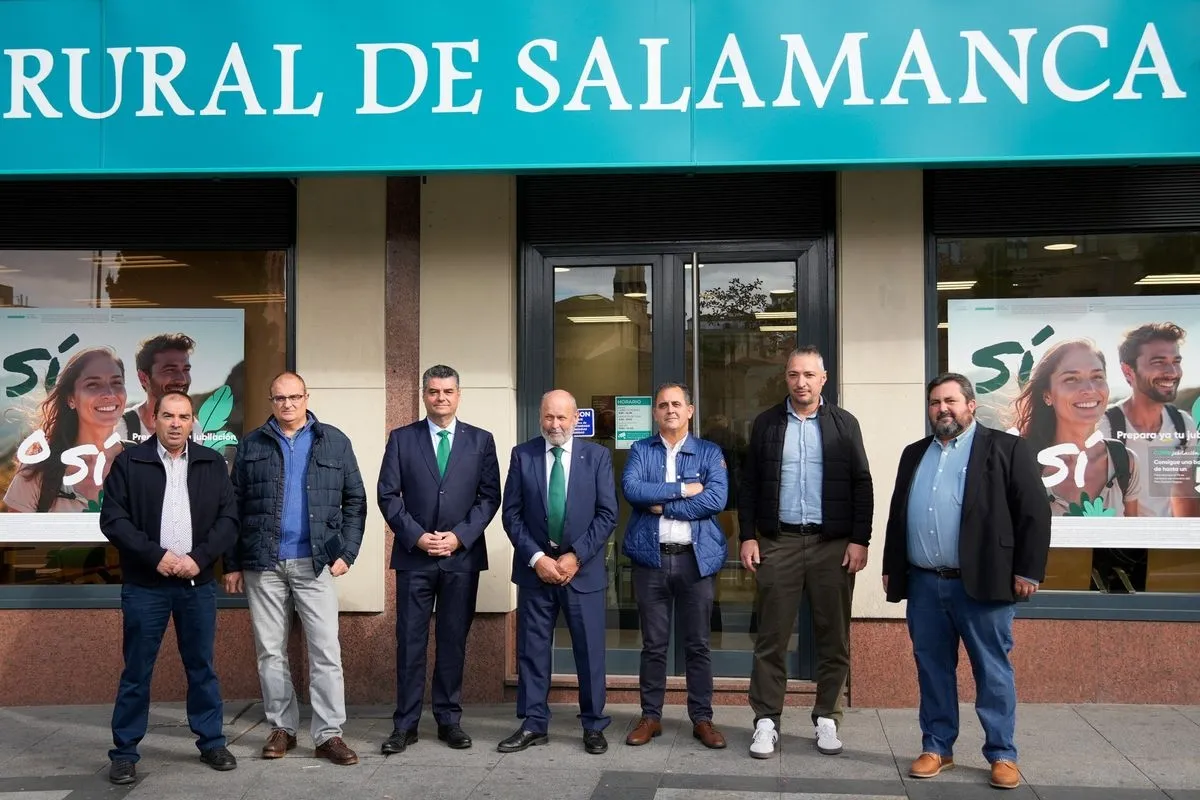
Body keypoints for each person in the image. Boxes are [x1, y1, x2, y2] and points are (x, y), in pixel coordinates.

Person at [882, 373, 1051, 791]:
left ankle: (1002, 754)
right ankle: (937, 747)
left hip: (984, 583)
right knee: (932, 669)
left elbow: (1034, 512)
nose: (942, 409)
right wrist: (892, 567)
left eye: (951, 401)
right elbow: (898, 513)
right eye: (935, 402)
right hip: (925, 584)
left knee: (992, 672)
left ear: (970, 405)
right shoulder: (913, 453)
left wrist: (1028, 570)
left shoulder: (1006, 448)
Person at [222, 372, 366, 766]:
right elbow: (234, 507)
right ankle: (281, 728)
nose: (288, 404)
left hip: (315, 562)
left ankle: (328, 734)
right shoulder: (252, 444)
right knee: (270, 651)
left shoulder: (334, 441)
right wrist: (232, 563)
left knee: (325, 651)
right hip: (263, 562)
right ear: (271, 401)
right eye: (280, 398)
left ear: (306, 397)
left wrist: (347, 552)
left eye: (295, 397)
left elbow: (355, 501)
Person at [738, 345, 873, 759]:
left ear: (823, 379)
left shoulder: (844, 424)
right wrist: (747, 536)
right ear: (786, 377)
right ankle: (766, 720)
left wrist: (860, 540)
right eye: (794, 374)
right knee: (771, 637)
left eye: (809, 375)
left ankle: (828, 716)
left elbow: (862, 483)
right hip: (778, 542)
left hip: (831, 545)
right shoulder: (766, 423)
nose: (801, 382)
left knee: (834, 637)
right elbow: (749, 484)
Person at [98, 391, 239, 786]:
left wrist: (200, 558)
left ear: (193, 422)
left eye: (183, 417)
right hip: (146, 586)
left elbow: (229, 519)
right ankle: (125, 753)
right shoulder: (130, 462)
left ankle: (212, 742)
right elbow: (113, 520)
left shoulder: (211, 463)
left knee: (202, 668)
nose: (176, 424)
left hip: (197, 585)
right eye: (168, 416)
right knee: (137, 671)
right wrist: (154, 556)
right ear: (154, 419)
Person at [377, 365, 501, 754]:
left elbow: (489, 497)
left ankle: (449, 720)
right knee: (410, 642)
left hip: (461, 559)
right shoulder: (402, 439)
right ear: (424, 395)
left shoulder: (481, 440)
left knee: (452, 641)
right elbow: (388, 495)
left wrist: (459, 537)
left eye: (448, 391)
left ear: (458, 395)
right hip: (415, 558)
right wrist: (417, 536)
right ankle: (405, 724)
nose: (441, 398)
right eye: (433, 391)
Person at [498, 389, 617, 755]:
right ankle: (534, 723)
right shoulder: (523, 455)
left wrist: (575, 557)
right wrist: (537, 558)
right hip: (536, 572)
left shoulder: (596, 457)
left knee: (589, 652)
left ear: (575, 419)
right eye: (549, 417)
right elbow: (511, 515)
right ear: (540, 417)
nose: (555, 424)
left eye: (562, 417)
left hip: (582, 573)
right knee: (533, 651)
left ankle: (593, 724)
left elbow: (607, 514)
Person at [620, 383, 728, 749]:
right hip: (651, 560)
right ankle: (650, 716)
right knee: (653, 645)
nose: (670, 410)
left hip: (695, 561)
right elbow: (633, 490)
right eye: (663, 405)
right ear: (655, 413)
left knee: (698, 644)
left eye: (677, 404)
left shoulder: (709, 452)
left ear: (690, 411)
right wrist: (683, 490)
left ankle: (702, 718)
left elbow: (715, 499)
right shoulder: (641, 449)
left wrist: (663, 505)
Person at [1012, 339, 1142, 518]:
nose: (1089, 389)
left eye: (1097, 377)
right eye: (1071, 379)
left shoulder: (1125, 462)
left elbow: (1132, 534)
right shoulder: (1017, 465)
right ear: (1047, 395)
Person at [5, 346, 127, 512]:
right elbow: (16, 529)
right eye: (93, 384)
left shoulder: (144, 463)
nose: (109, 394)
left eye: (117, 383)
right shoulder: (38, 469)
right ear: (71, 399)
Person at [1099, 323, 1200, 517]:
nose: (1172, 372)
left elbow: (1183, 495)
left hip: (1165, 535)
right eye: (1158, 362)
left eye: (1176, 361)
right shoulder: (1104, 427)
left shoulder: (1183, 425)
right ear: (1128, 371)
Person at [117, 333, 195, 443]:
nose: (182, 379)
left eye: (186, 370)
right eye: (170, 370)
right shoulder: (120, 428)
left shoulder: (194, 429)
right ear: (143, 378)